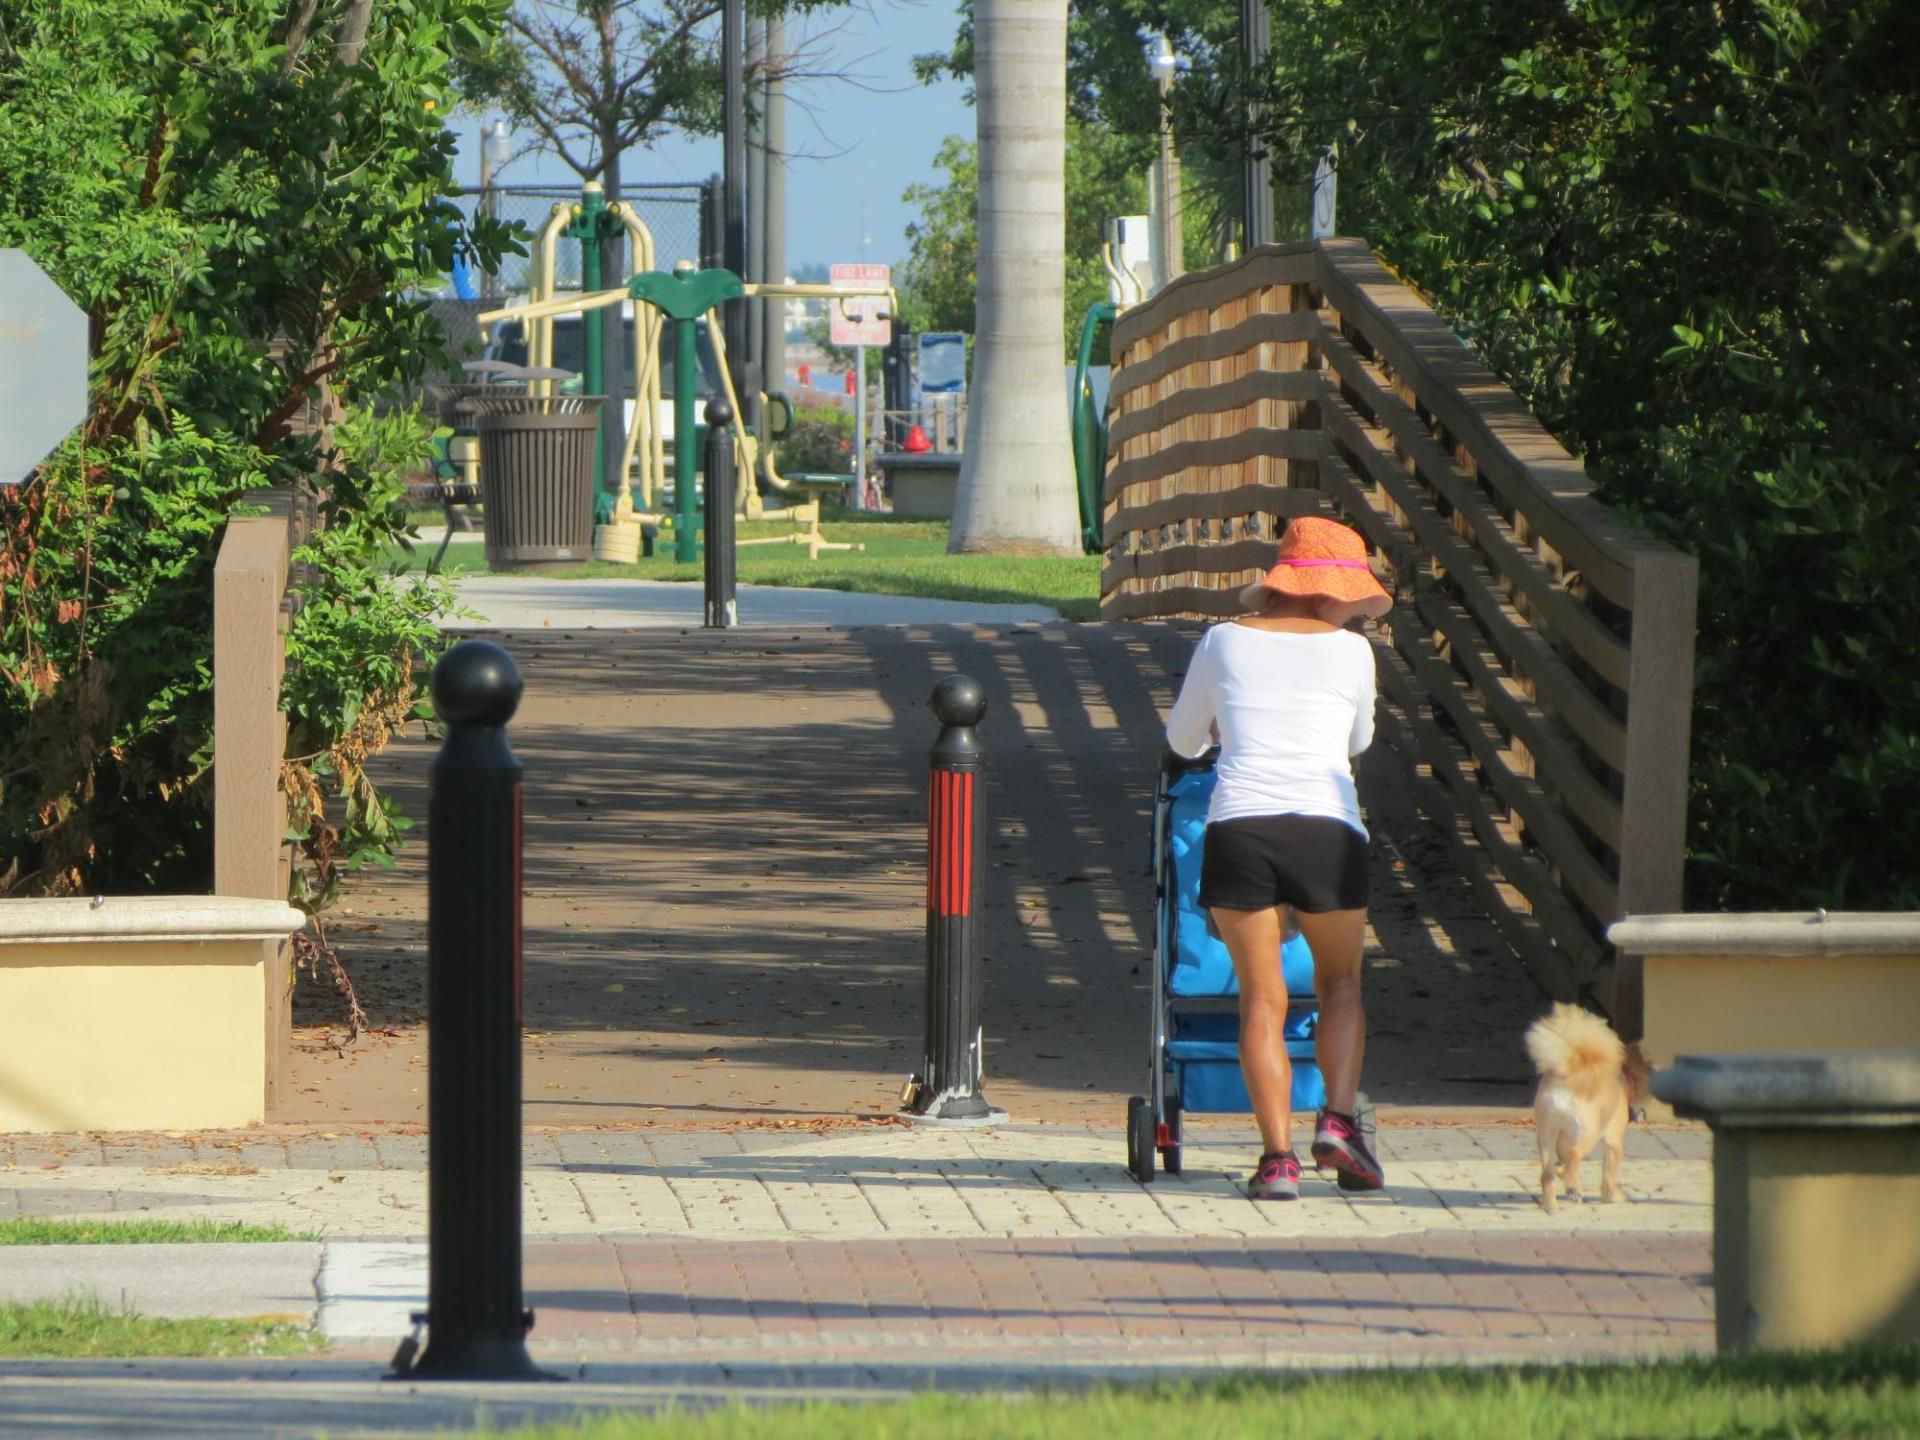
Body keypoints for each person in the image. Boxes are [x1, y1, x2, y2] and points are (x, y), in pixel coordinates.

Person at [1163, 516, 1392, 1201]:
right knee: (1341, 986)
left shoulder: (1223, 641)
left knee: (1261, 998)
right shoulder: (1353, 652)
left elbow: (1181, 740)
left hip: (1242, 827)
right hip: (1328, 826)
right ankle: (1340, 1124)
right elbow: (1358, 742)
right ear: (1328, 594)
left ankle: (1278, 1162)